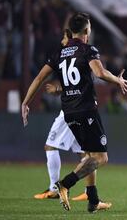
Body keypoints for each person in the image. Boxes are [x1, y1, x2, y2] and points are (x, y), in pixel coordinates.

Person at [21, 12, 127, 213]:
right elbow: (99, 73)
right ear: (87, 30)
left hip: (69, 112)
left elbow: (38, 78)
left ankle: (93, 200)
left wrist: (25, 102)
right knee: (101, 158)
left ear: (70, 31)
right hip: (86, 110)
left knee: (88, 154)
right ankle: (65, 184)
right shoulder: (88, 49)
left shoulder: (59, 53)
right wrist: (118, 80)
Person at [33, 30, 86, 202]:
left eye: (64, 37)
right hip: (83, 109)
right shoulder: (79, 54)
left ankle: (54, 188)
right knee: (83, 153)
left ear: (70, 38)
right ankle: (89, 191)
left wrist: (57, 89)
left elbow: (78, 83)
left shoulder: (69, 55)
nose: (62, 40)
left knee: (50, 146)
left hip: (71, 110)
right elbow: (80, 82)